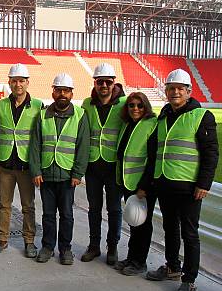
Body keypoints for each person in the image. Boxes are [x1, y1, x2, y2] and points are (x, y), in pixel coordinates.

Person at [145, 69, 219, 291]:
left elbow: (211, 153)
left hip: (189, 187)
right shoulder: (163, 116)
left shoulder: (201, 116)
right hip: (165, 183)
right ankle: (172, 267)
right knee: (170, 228)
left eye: (180, 88)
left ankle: (189, 280)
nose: (175, 92)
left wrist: (204, 183)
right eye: (171, 88)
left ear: (189, 91)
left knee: (189, 233)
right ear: (166, 91)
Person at [29, 73, 90, 265]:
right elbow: (35, 145)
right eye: (59, 90)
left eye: (66, 91)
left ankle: (65, 249)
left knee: (66, 215)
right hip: (46, 174)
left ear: (72, 94)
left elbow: (83, 146)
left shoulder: (80, 116)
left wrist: (78, 173)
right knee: (47, 215)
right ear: (53, 92)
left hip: (67, 176)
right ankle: (47, 247)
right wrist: (36, 171)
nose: (62, 94)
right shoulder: (42, 115)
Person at [0, 63, 43, 258]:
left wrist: (38, 167)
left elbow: (40, 138)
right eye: (14, 81)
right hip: (5, 164)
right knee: (4, 204)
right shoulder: (1, 105)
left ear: (27, 82)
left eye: (21, 81)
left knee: (28, 205)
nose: (18, 84)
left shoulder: (37, 106)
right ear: (9, 83)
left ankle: (29, 241)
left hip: (26, 165)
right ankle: (2, 238)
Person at [81, 63, 127, 265]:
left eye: (108, 82)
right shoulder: (87, 104)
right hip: (93, 166)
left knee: (115, 209)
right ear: (95, 83)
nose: (104, 86)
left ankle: (113, 247)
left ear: (114, 83)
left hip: (113, 166)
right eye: (100, 82)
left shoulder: (124, 104)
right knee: (94, 209)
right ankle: (94, 246)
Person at [112, 92, 157, 276]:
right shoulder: (128, 125)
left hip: (142, 187)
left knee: (143, 225)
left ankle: (140, 262)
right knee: (133, 222)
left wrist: (144, 186)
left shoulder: (151, 125)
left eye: (139, 105)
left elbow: (153, 159)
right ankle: (132, 257)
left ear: (145, 107)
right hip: (128, 183)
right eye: (131, 105)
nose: (135, 109)